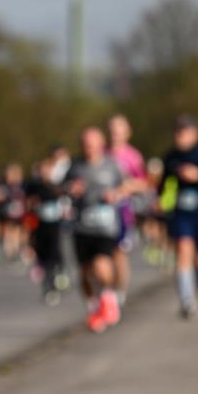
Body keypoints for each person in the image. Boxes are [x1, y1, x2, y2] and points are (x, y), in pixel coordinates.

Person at [160, 116, 198, 319]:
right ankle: (186, 300)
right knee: (183, 250)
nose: (180, 137)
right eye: (177, 132)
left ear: (195, 134)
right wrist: (163, 199)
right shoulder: (170, 157)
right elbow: (163, 185)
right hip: (180, 213)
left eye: (185, 132)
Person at [64, 127, 126, 333]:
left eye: (91, 144)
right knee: (84, 272)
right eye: (85, 144)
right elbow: (62, 188)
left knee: (102, 265)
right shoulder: (74, 166)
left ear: (101, 145)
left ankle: (108, 295)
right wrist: (71, 190)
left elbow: (129, 185)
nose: (88, 148)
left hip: (105, 227)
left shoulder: (112, 165)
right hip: (82, 226)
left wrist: (116, 193)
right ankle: (94, 308)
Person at [107, 114, 147, 306]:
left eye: (118, 129)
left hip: (123, 212)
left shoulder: (132, 156)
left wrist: (127, 186)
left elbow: (144, 184)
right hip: (102, 212)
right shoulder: (102, 153)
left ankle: (119, 292)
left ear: (127, 132)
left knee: (119, 254)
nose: (114, 133)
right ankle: (106, 292)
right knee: (103, 255)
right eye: (111, 129)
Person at [25, 157, 68, 305]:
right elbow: (26, 203)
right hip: (39, 225)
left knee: (55, 252)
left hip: (54, 225)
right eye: (42, 170)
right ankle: (48, 286)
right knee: (42, 256)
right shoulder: (33, 186)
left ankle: (59, 275)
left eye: (48, 169)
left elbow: (65, 201)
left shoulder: (56, 186)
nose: (45, 172)